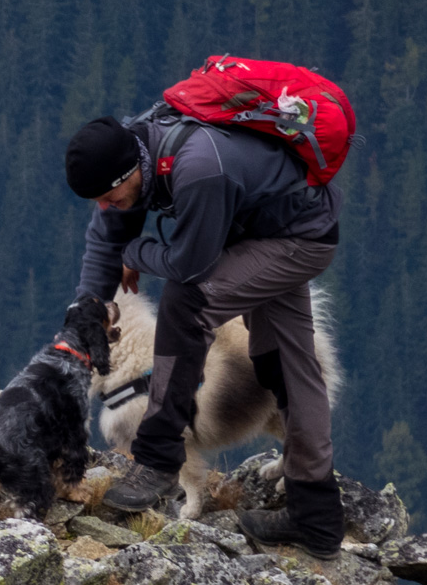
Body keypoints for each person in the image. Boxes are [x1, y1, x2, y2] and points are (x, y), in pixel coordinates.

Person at [64, 106, 344, 557]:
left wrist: (137, 250)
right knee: (287, 364)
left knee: (186, 302)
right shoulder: (129, 155)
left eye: (109, 197)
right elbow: (105, 239)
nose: (104, 208)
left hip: (299, 238)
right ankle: (317, 518)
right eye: (96, 200)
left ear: (130, 170)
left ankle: (156, 460)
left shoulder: (197, 170)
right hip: (262, 227)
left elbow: (190, 267)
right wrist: (87, 308)